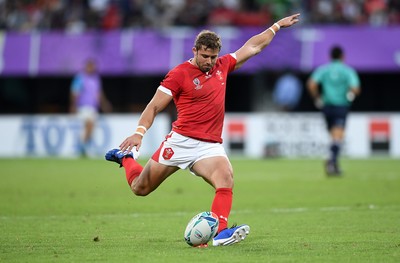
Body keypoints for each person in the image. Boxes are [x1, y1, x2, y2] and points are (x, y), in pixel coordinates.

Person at [105, 13, 300, 247]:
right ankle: (126, 158)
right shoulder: (179, 74)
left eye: (213, 56)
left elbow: (254, 46)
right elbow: (154, 106)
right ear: (195, 50)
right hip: (179, 142)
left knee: (225, 179)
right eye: (205, 56)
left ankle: (222, 233)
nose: (209, 61)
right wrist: (139, 133)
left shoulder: (222, 66)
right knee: (140, 188)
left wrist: (277, 26)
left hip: (209, 146)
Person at [307, 45, 361, 176]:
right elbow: (355, 88)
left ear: (330, 57)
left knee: (333, 136)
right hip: (341, 105)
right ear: (343, 56)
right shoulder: (347, 71)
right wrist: (351, 95)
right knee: (338, 137)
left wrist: (317, 98)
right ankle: (331, 160)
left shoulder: (324, 69)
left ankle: (334, 164)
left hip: (326, 106)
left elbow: (311, 84)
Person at [70, 59, 112, 156]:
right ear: (86, 66)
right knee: (89, 125)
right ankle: (81, 146)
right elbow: (75, 92)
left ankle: (83, 147)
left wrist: (104, 104)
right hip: (83, 106)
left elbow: (98, 93)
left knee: (89, 127)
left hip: (93, 107)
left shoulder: (96, 78)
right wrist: (73, 105)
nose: (91, 68)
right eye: (90, 66)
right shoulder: (80, 77)